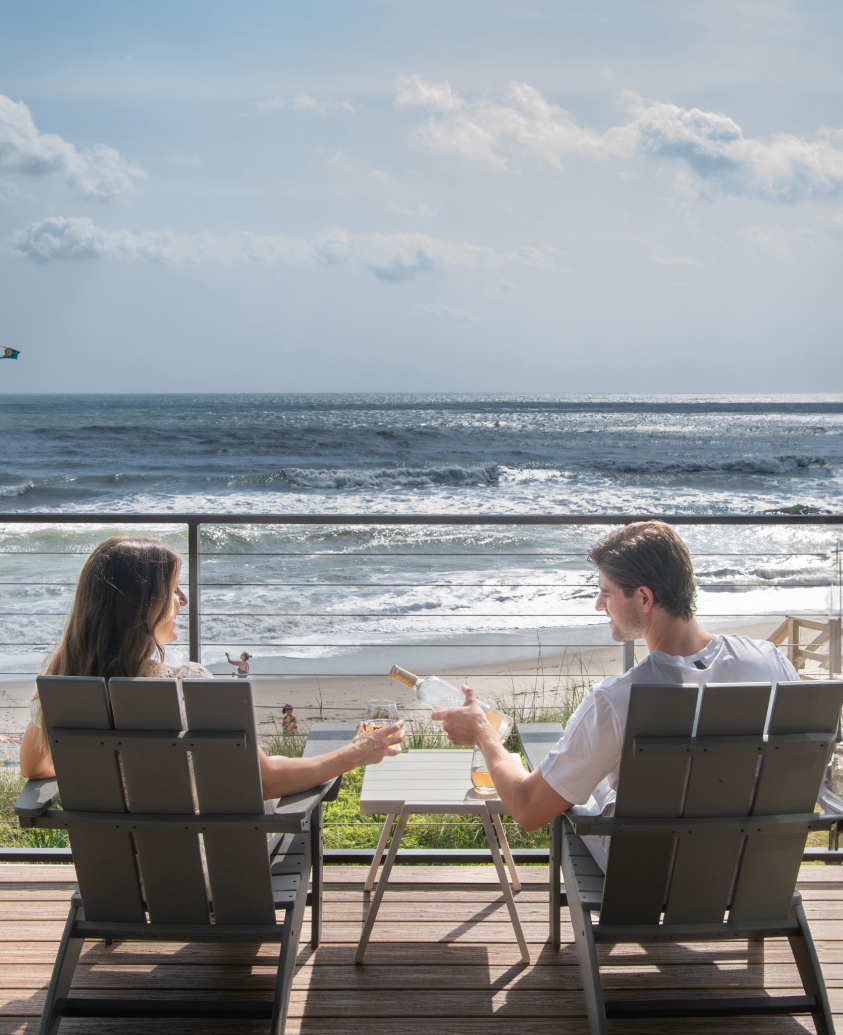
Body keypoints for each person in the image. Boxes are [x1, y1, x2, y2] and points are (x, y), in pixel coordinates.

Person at [433, 520, 798, 870]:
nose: (598, 604)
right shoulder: (770, 663)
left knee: (577, 791)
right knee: (597, 782)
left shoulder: (618, 700)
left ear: (643, 598)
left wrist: (484, 733)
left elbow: (528, 808)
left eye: (606, 593)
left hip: (651, 880)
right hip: (755, 872)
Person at [20, 536, 403, 797]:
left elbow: (35, 770)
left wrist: (109, 776)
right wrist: (356, 752)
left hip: (112, 878)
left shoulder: (62, 685)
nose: (183, 599)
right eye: (173, 589)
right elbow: (265, 783)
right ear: (142, 605)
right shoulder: (187, 682)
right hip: (208, 869)